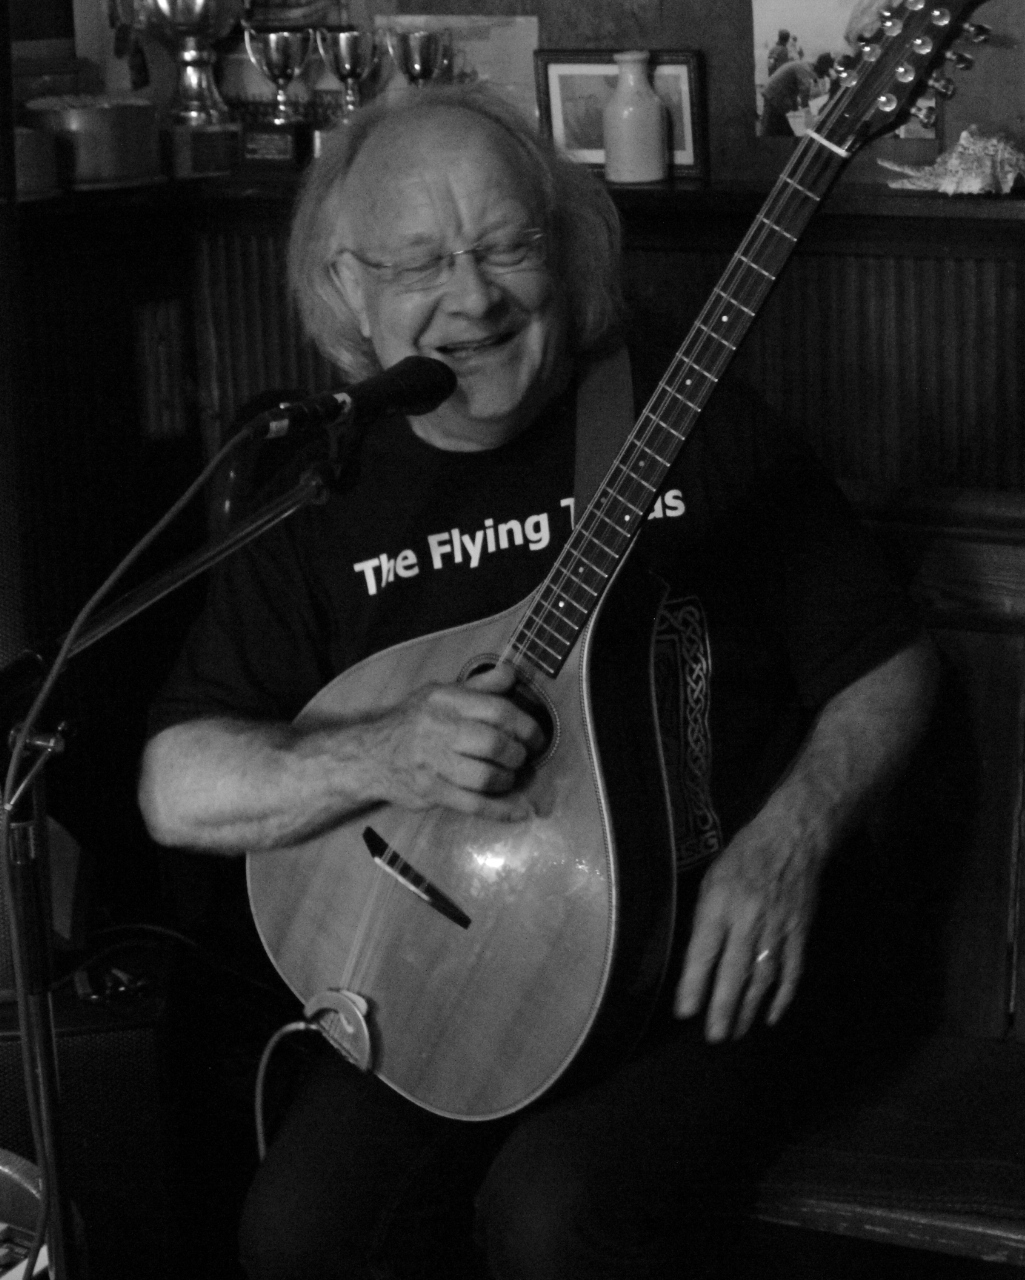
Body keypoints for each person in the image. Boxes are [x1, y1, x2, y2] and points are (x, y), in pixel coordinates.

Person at [138, 83, 938, 1278]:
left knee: (553, 1218)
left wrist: (791, 841)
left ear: (563, 248)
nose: (475, 296)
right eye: (421, 263)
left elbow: (888, 658)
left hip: (695, 968)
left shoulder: (675, 404)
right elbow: (173, 788)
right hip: (444, 976)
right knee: (295, 1234)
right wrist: (383, 750)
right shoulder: (321, 483)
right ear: (347, 286)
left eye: (509, 244)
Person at [760, 53, 830, 137]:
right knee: (769, 128)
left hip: (777, 96)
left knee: (779, 128)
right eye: (824, 73)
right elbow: (805, 93)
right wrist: (807, 114)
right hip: (774, 96)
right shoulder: (805, 70)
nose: (822, 76)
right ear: (821, 69)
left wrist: (796, 108)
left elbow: (795, 91)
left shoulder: (805, 66)